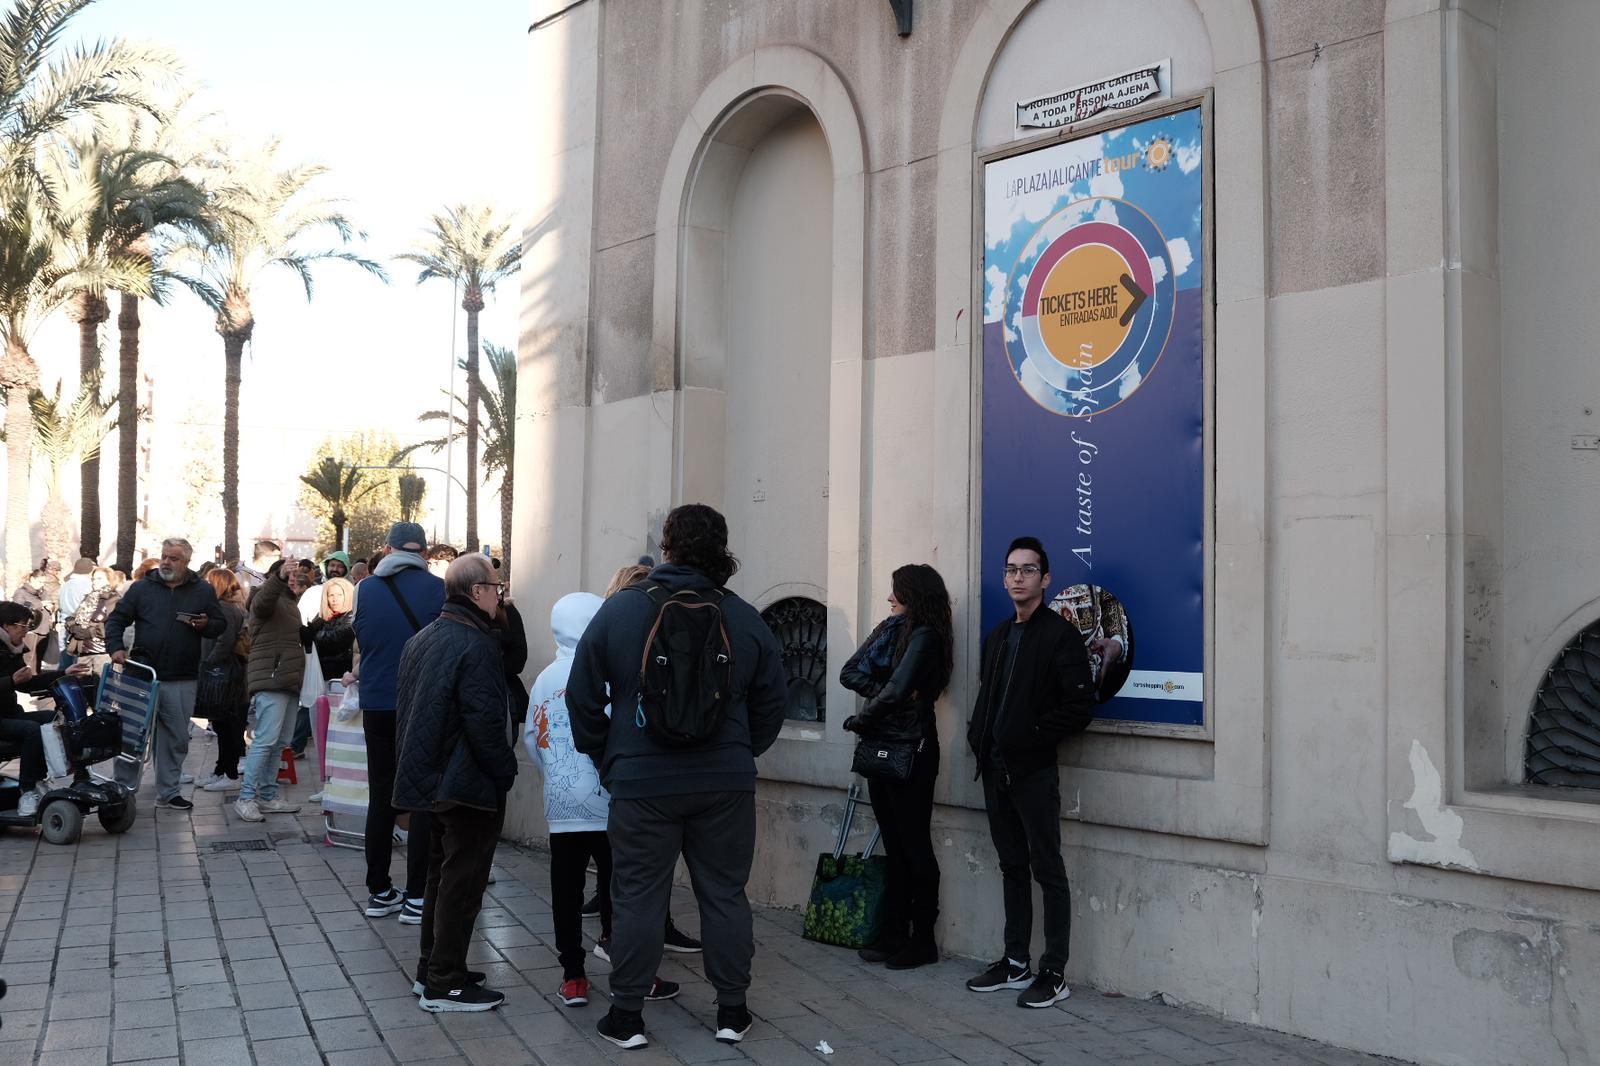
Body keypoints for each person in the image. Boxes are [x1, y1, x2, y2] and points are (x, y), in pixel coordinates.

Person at [567, 504, 789, 1050]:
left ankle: (626, 1017)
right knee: (724, 894)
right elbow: (773, 701)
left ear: (666, 547)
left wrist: (610, 757)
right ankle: (732, 1012)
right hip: (724, 783)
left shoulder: (621, 611)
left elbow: (582, 696)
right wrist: (740, 751)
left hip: (641, 784)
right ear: (722, 548)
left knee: (638, 893)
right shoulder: (743, 617)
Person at [527, 592, 683, 1010]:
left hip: (562, 808)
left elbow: (532, 737)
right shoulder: (610, 671)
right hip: (613, 801)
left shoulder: (545, 677)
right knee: (623, 889)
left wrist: (555, 778)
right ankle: (630, 968)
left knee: (566, 890)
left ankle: (573, 975)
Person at [963, 536, 1097, 1008]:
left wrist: (1032, 733)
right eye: (1012, 569)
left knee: (1048, 869)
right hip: (995, 770)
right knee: (1012, 866)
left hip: (1033, 772)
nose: (1018, 577)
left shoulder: (1059, 635)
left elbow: (1080, 705)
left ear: (1046, 578)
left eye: (1028, 569)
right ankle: (1015, 962)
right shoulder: (998, 637)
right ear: (1004, 578)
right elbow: (989, 697)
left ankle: (1054, 971)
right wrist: (979, 735)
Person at [395, 554, 518, 1012]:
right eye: (495, 587)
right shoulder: (475, 642)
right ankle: (445, 982)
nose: (498, 596)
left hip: (433, 780)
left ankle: (434, 969)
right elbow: (484, 722)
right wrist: (505, 769)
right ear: (476, 592)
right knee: (461, 884)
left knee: (442, 879)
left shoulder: (424, 638)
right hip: (465, 784)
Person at [839, 563, 954, 970]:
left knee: (914, 845)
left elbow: (899, 690)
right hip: (886, 744)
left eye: (897, 592)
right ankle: (892, 934)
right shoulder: (893, 632)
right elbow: (849, 672)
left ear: (915, 596)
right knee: (895, 843)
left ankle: (921, 940)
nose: (890, 599)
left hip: (913, 749)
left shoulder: (925, 636)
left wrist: (864, 717)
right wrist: (890, 696)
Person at [352, 521, 446, 923]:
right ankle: (417, 896)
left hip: (375, 702)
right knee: (422, 797)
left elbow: (362, 638)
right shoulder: (437, 589)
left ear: (388, 550)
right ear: (422, 552)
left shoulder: (365, 589)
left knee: (381, 796)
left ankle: (379, 891)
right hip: (421, 702)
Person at [104, 538, 225, 811]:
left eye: (174, 558)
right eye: (164, 556)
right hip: (141, 675)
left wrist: (206, 624)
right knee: (131, 734)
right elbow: (116, 620)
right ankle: (123, 790)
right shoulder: (141, 588)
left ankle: (168, 793)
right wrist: (115, 648)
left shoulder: (202, 590)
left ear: (186, 562)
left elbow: (219, 624)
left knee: (176, 737)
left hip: (181, 676)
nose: (167, 562)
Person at [0, 602, 92, 817]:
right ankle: (28, 790)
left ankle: (76, 775)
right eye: (22, 626)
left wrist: (63, 673)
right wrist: (11, 681)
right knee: (31, 730)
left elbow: (27, 683)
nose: (26, 632)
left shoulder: (11, 650)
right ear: (6, 626)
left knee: (53, 718)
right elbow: (15, 682)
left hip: (9, 714)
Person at [232, 560, 307, 821]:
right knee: (265, 741)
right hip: (272, 678)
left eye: (297, 575)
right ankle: (246, 798)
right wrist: (279, 576)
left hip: (288, 681)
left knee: (280, 742)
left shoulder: (288, 603)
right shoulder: (264, 597)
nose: (295, 578)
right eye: (291, 574)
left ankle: (267, 795)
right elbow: (262, 604)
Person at [199, 568, 249, 792]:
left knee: (228, 725)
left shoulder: (225, 609)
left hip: (226, 675)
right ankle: (222, 769)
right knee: (224, 725)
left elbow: (224, 642)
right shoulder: (229, 607)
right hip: (228, 674)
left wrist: (208, 664)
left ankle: (229, 772)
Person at [64, 567, 119, 675]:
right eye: (93, 579)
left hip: (103, 652)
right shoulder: (89, 598)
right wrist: (73, 628)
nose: (95, 582)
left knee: (102, 686)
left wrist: (91, 631)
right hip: (83, 650)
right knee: (80, 685)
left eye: (99, 579)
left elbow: (114, 626)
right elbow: (72, 617)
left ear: (110, 580)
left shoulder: (114, 600)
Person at [56, 558, 95, 668]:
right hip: (80, 628)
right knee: (77, 665)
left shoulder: (66, 585)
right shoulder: (88, 586)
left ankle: (60, 684)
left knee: (64, 663)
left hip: (65, 625)